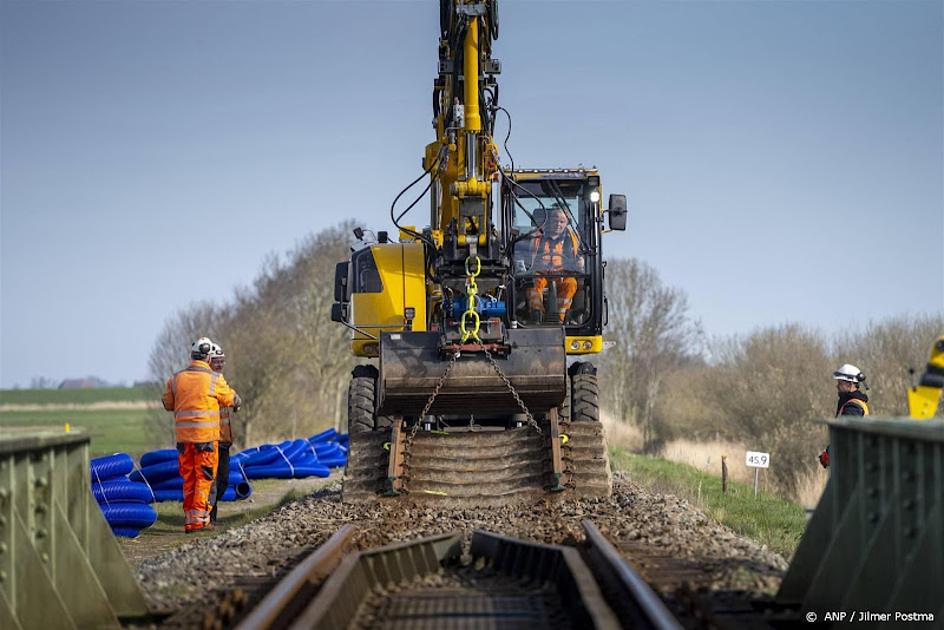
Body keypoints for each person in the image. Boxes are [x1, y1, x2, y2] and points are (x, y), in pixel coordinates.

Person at [161, 337, 239, 533]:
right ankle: (198, 522)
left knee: (189, 479)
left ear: (192, 356)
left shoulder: (175, 379)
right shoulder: (214, 378)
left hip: (184, 440)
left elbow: (168, 404)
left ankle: (189, 520)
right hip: (205, 440)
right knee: (204, 479)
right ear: (207, 357)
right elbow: (231, 398)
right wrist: (237, 401)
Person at [526, 204, 584, 324]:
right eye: (555, 220)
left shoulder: (574, 239)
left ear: (567, 222)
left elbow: (580, 255)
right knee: (532, 284)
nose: (558, 224)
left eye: (562, 221)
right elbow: (525, 255)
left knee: (571, 283)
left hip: (563, 273)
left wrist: (581, 262)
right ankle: (537, 314)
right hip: (540, 274)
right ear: (549, 221)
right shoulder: (536, 236)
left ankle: (561, 317)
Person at [819, 363, 870, 468]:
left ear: (849, 384)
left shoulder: (853, 407)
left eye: (840, 383)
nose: (837, 386)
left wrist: (829, 454)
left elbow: (844, 436)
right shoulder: (851, 403)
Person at [208, 343, 234, 524]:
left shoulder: (221, 382)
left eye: (222, 361)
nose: (219, 364)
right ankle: (210, 517)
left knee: (223, 480)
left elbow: (230, 397)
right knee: (212, 482)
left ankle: (209, 512)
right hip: (211, 440)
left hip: (224, 441)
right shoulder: (207, 383)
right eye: (216, 361)